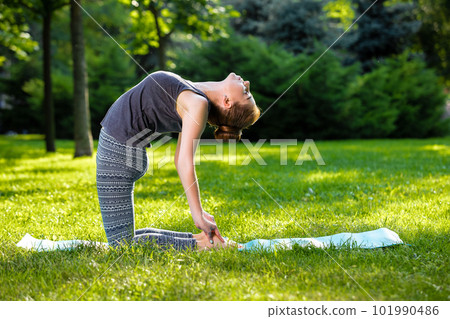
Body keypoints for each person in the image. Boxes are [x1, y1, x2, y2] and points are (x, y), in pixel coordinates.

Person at [96, 71, 260, 251]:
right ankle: (201, 241)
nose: (246, 83)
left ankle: (203, 245)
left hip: (117, 154)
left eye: (246, 94)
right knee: (125, 239)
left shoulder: (197, 104)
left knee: (122, 246)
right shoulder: (196, 97)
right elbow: (179, 158)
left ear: (227, 102)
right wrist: (199, 213)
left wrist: (198, 215)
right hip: (122, 152)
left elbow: (183, 160)